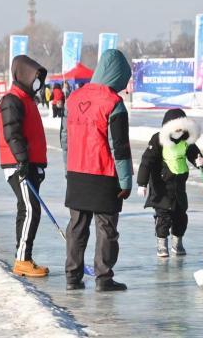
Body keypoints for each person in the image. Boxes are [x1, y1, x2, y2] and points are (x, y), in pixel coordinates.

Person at [61, 49, 133, 292]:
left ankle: (72, 276)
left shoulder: (73, 99)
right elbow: (119, 147)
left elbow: (64, 139)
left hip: (77, 173)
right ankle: (103, 278)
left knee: (77, 227)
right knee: (106, 229)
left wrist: (68, 168)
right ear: (118, 75)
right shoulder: (114, 104)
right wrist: (126, 181)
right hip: (104, 175)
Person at [0, 55, 49, 277]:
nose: (37, 83)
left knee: (25, 208)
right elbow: (12, 133)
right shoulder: (12, 99)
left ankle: (23, 256)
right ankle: (22, 261)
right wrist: (23, 161)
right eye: (34, 78)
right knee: (30, 209)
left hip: (28, 163)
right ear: (24, 75)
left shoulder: (27, 99)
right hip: (19, 164)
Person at [136, 109, 203, 258]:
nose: (179, 130)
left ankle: (177, 242)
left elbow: (194, 154)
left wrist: (200, 161)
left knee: (181, 215)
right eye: (176, 127)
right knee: (163, 216)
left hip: (179, 184)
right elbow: (146, 161)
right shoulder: (158, 139)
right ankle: (162, 244)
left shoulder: (187, 140)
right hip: (161, 185)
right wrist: (142, 184)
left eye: (182, 127)